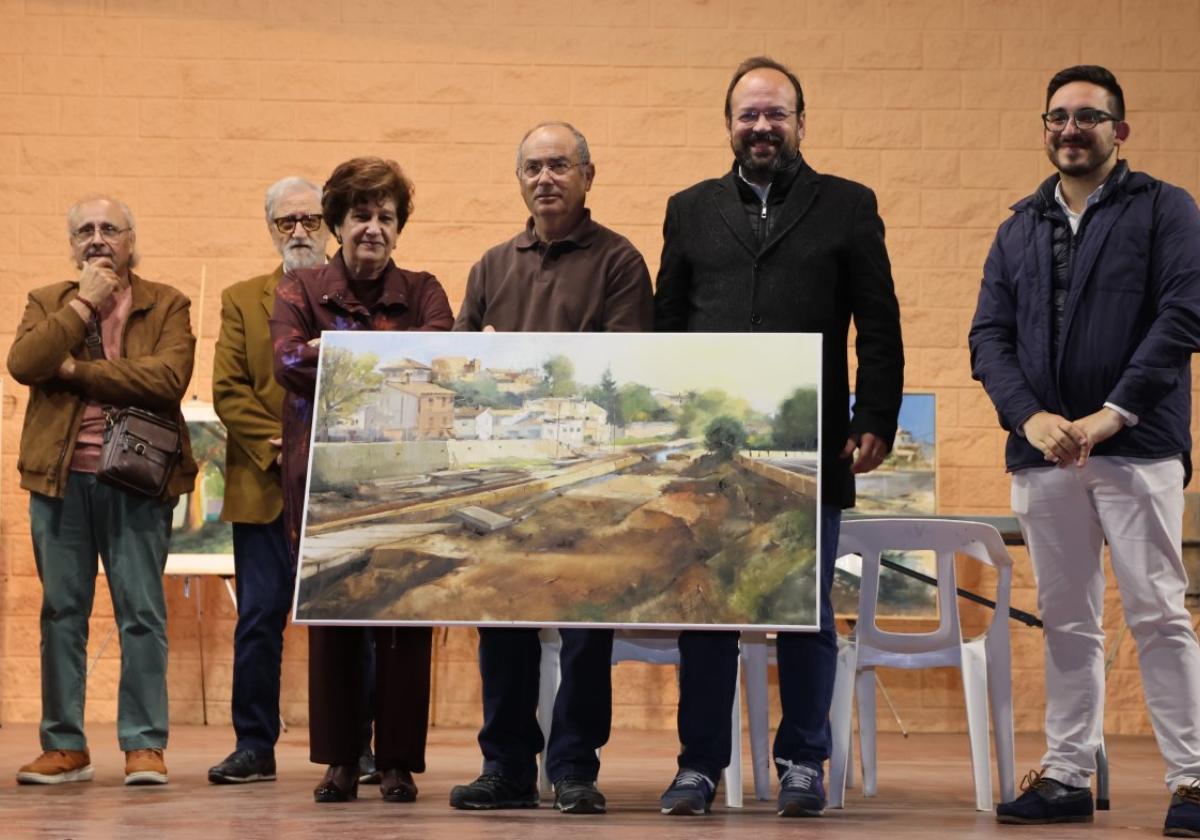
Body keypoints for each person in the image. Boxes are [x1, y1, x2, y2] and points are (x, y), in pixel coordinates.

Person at [654, 56, 904, 817]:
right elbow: (667, 326)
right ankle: (699, 767)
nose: (761, 126)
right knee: (706, 610)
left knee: (805, 611)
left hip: (815, 446)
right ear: (728, 124)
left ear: (801, 121)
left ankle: (804, 762)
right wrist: (668, 427)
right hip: (713, 449)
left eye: (775, 113)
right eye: (747, 114)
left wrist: (874, 419)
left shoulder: (850, 205)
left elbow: (880, 325)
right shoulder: (688, 209)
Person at [969, 65, 1200, 835]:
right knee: (1067, 622)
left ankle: (1194, 781)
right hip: (1043, 457)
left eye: (1089, 118)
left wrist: (1111, 414)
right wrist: (1027, 415)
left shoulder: (1167, 209)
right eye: (1058, 117)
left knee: (1159, 613)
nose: (1071, 130)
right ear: (1045, 129)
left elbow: (1183, 315)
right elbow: (988, 337)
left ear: (1119, 130)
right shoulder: (1017, 227)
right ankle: (1067, 775)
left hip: (1139, 448)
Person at [450, 121, 653, 815]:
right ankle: (505, 767)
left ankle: (572, 767)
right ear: (520, 179)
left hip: (586, 473)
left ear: (589, 176)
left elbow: (622, 369)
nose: (545, 178)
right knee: (498, 611)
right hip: (506, 472)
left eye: (560, 165)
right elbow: (464, 372)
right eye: (533, 167)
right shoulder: (491, 266)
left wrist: (524, 368)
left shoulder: (620, 262)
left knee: (585, 625)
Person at [271, 156, 453, 803]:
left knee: (407, 609)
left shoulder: (426, 289)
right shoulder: (299, 290)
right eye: (360, 215)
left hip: (409, 474)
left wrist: (338, 353)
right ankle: (342, 760)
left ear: (399, 227)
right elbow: (289, 362)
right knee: (335, 612)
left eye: (386, 216)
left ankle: (399, 761)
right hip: (322, 477)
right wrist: (387, 360)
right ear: (337, 223)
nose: (372, 227)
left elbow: (436, 360)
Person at [9, 196, 197, 787]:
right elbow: (24, 362)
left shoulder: (165, 302)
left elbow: (167, 379)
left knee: (141, 612)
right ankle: (64, 744)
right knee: (62, 613)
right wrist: (82, 302)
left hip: (137, 480)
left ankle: (144, 745)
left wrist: (73, 371)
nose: (97, 239)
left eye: (109, 229)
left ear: (131, 240)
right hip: (59, 481)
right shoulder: (47, 301)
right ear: (71, 245)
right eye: (84, 231)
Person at [207, 176, 330, 784]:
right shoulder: (240, 298)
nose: (300, 231)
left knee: (346, 623)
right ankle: (254, 745)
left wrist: (319, 451)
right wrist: (281, 448)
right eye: (287, 222)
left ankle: (351, 749)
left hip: (335, 488)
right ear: (271, 229)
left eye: (311, 219)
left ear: (330, 224)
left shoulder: (351, 296)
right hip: (264, 484)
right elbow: (228, 389)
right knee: (258, 619)